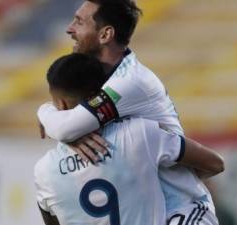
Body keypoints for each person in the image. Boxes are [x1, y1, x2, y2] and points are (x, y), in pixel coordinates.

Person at [36, 0, 219, 224]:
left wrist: (45, 113)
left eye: (79, 22)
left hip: (181, 212)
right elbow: (70, 124)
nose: (70, 28)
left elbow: (65, 127)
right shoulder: (98, 78)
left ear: (106, 34)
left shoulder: (129, 82)